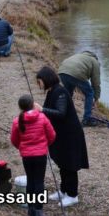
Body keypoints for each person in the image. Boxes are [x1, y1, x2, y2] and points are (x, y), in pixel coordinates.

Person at [34, 66, 89, 208]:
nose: (39, 85)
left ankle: (72, 195)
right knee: (62, 163)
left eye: (39, 82)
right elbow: (48, 113)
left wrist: (42, 110)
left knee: (70, 165)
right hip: (60, 134)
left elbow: (60, 113)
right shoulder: (51, 91)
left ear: (46, 79)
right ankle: (64, 190)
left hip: (70, 135)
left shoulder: (61, 92)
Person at [11, 94, 56, 216]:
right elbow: (52, 135)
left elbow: (14, 140)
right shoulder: (42, 117)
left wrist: (21, 147)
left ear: (20, 107)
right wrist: (45, 145)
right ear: (33, 104)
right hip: (41, 154)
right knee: (39, 181)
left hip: (27, 156)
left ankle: (30, 208)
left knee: (30, 180)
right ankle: (39, 209)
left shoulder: (17, 121)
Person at [58, 51, 101, 127]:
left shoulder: (79, 56)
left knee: (68, 93)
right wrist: (96, 98)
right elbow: (96, 83)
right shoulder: (95, 62)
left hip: (62, 71)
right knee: (89, 93)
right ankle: (86, 119)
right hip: (76, 73)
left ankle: (63, 114)